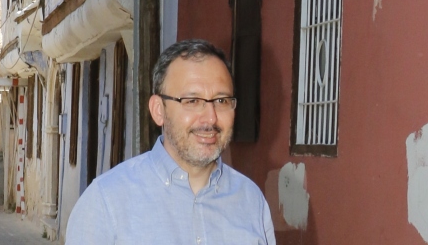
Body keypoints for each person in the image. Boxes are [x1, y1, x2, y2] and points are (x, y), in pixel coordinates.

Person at [66, 39, 276, 244]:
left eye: (221, 101)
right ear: (159, 110)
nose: (211, 118)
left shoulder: (251, 201)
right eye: (192, 101)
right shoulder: (106, 202)